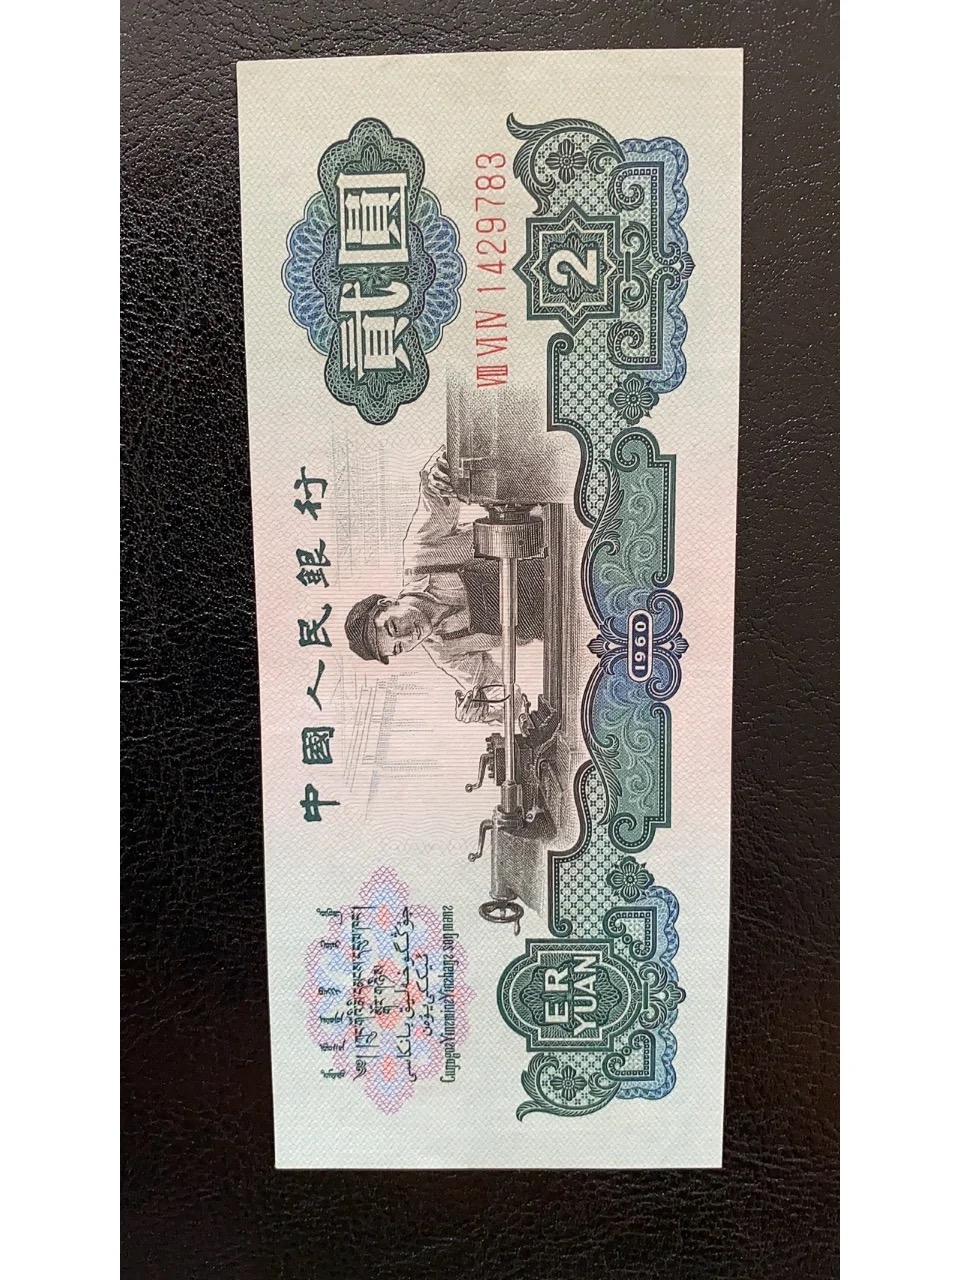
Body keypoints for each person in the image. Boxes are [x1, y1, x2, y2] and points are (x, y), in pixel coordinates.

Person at [344, 446, 544, 723]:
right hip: (556, 617)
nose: (408, 637)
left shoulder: (422, 553)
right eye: (400, 648)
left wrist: (441, 472)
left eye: (394, 627)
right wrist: (486, 709)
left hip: (555, 536)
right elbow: (502, 693)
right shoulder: (445, 652)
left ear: (387, 603)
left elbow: (435, 491)